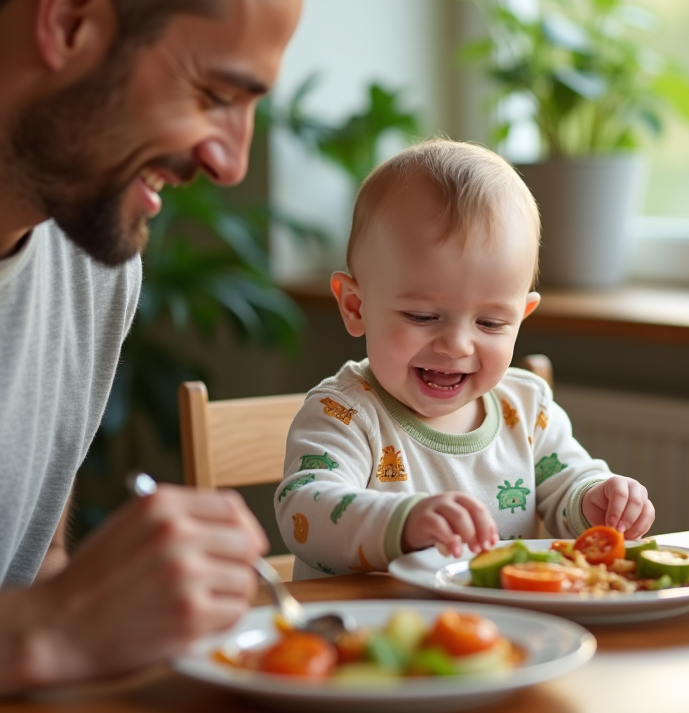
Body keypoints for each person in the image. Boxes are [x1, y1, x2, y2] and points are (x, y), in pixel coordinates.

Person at [0, 0, 352, 705]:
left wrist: (111, 603)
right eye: (216, 93)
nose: (231, 161)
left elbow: (32, 575)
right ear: (69, 16)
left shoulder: (91, 256)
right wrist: (50, 627)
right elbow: (36, 622)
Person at [274, 139, 656, 580]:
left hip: (498, 638)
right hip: (368, 635)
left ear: (521, 318)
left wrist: (597, 502)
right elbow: (303, 512)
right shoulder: (343, 413)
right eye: (422, 315)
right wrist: (403, 524)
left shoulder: (526, 408)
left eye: (491, 324)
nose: (457, 345)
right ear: (356, 307)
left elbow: (567, 486)